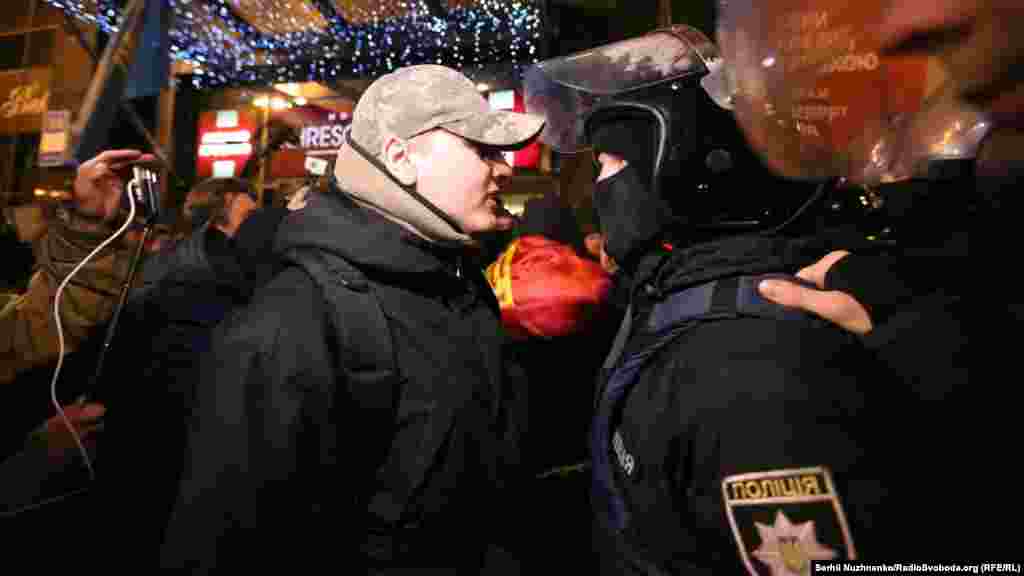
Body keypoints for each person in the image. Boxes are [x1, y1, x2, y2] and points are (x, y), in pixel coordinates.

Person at [525, 25, 988, 574]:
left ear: (687, 167)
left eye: (610, 162)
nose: (599, 186)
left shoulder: (751, 369)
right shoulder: (673, 298)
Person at [159, 64, 544, 572]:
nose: (505, 167)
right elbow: (221, 545)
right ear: (401, 158)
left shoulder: (461, 285)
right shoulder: (295, 318)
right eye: (483, 149)